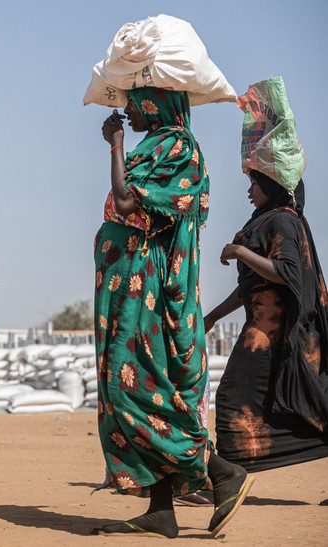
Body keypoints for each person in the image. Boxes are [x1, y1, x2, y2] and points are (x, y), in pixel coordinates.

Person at [91, 88, 253, 538]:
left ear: (155, 103)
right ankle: (161, 510)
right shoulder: (161, 144)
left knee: (134, 386)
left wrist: (115, 145)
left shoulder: (176, 146)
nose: (126, 109)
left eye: (134, 100)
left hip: (144, 291)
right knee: (147, 384)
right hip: (128, 287)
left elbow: (127, 203)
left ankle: (220, 472)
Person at [205, 170, 328, 471]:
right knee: (285, 406)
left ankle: (227, 477)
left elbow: (286, 272)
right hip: (261, 330)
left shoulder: (282, 219)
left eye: (255, 184)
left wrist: (240, 251)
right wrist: (212, 317)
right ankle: (228, 475)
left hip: (272, 335)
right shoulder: (268, 218)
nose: (249, 190)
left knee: (233, 400)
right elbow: (253, 287)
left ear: (273, 186)